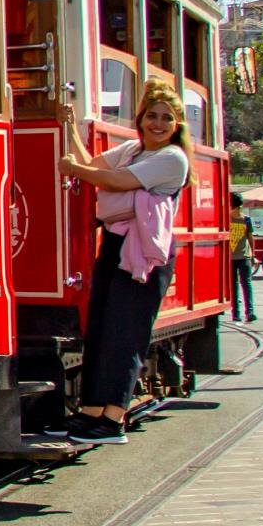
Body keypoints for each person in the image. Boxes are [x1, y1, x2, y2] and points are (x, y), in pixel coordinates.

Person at [59, 84, 193, 445]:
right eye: (152, 115)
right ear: (141, 119)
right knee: (101, 329)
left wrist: (75, 170)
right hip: (118, 243)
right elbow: (93, 166)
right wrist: (68, 126)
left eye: (167, 117)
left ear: (178, 124)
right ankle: (90, 414)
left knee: (126, 334)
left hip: (144, 252)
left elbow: (113, 179)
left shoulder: (172, 158)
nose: (158, 123)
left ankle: (114, 419)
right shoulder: (134, 149)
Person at [228, 194, 256, 324]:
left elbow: (250, 238)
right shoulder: (226, 219)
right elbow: (250, 238)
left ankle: (247, 312)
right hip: (234, 257)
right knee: (238, 285)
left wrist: (253, 255)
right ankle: (238, 313)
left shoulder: (246, 219)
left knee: (244, 284)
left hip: (242, 256)